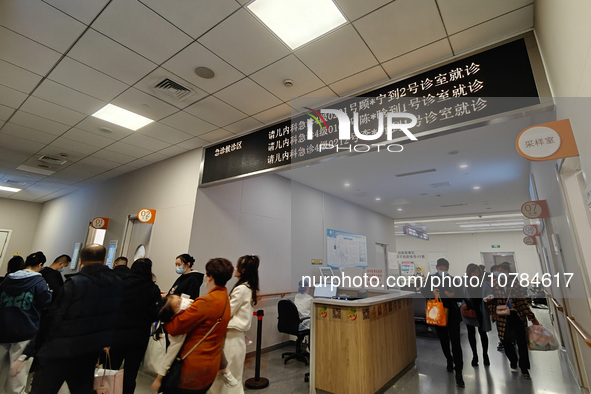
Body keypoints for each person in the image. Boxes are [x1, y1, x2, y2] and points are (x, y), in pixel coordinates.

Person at [30, 244, 124, 394]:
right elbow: (115, 315)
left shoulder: (75, 283)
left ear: (81, 260)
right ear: (105, 259)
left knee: (43, 389)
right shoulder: (117, 283)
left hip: (61, 348)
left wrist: (36, 348)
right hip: (90, 350)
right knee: (83, 388)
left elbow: (55, 317)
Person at [160, 257, 233, 394]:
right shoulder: (225, 299)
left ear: (209, 277)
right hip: (210, 366)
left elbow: (175, 328)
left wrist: (168, 314)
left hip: (192, 369)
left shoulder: (205, 302)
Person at [0, 252, 52, 394]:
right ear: (40, 265)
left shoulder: (7, 279)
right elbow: (45, 302)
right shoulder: (39, 282)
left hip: (3, 329)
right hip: (24, 332)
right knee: (16, 380)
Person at [210, 255, 260, 394]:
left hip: (232, 338)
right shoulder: (247, 287)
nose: (235, 268)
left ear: (243, 270)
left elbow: (227, 312)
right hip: (234, 338)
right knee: (231, 378)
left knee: (227, 379)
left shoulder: (242, 289)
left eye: (237, 266)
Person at [111, 258, 162, 394]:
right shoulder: (152, 288)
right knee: (131, 372)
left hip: (117, 333)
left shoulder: (120, 283)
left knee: (112, 369)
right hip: (139, 335)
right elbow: (155, 314)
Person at [487, 262, 539, 379]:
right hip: (502, 316)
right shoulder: (494, 285)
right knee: (504, 340)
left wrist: (532, 318)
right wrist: (492, 312)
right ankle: (513, 359)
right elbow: (491, 300)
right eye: (498, 271)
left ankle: (524, 367)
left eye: (502, 271)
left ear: (507, 272)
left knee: (521, 341)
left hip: (517, 315)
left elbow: (522, 303)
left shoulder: (515, 285)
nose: (500, 273)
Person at [421, 258, 464, 387]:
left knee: (456, 342)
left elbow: (461, 296)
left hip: (452, 315)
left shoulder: (454, 279)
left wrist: (454, 295)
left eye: (445, 268)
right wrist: (432, 293)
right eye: (441, 268)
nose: (443, 270)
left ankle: (459, 372)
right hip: (438, 314)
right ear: (437, 268)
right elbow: (424, 292)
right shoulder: (431, 279)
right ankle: (449, 360)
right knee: (444, 340)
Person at [462, 263, 491, 367]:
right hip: (469, 311)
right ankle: (475, 355)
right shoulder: (465, 284)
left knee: (483, 333)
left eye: (477, 271)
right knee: (471, 334)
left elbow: (490, 294)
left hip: (480, 311)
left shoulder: (484, 284)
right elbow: (461, 296)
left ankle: (485, 354)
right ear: (469, 273)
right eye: (473, 271)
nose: (475, 273)